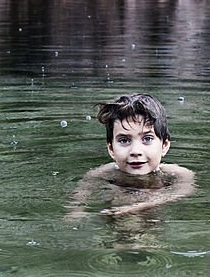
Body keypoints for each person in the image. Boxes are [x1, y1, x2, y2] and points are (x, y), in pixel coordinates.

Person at [66, 93, 195, 219]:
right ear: (111, 148)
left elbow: (181, 192)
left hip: (152, 221)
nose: (135, 151)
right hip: (114, 219)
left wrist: (136, 207)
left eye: (147, 138)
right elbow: (80, 195)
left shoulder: (179, 174)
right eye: (124, 140)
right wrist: (76, 212)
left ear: (164, 145)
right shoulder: (102, 173)